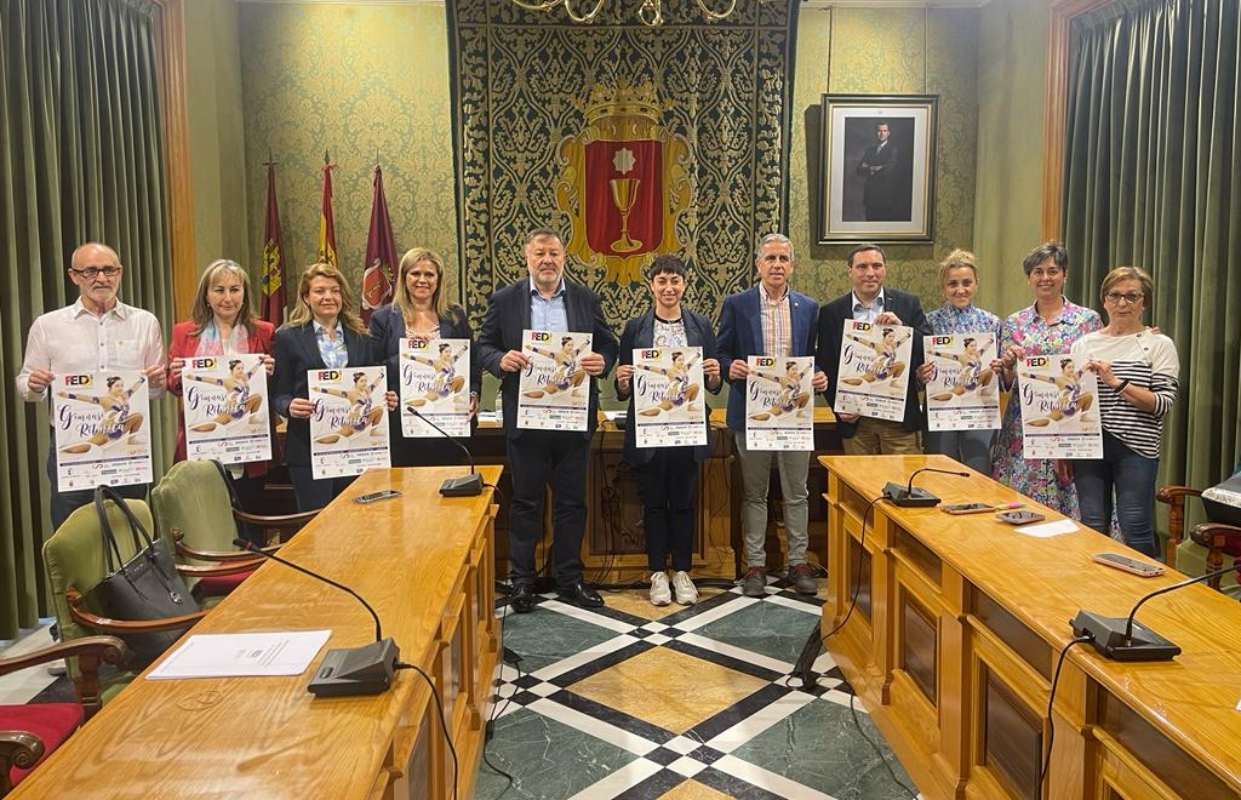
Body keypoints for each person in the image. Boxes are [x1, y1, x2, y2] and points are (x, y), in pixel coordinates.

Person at [476, 228, 618, 613]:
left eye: (554, 253)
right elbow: (483, 346)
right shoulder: (505, 300)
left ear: (564, 258)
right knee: (526, 502)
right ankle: (522, 582)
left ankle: (569, 578)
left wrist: (601, 361)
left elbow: (608, 344)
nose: (547, 260)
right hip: (527, 420)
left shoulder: (585, 299)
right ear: (528, 258)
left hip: (573, 419)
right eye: (540, 253)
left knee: (572, 502)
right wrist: (498, 360)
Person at [16, 242, 165, 530]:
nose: (101, 278)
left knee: (131, 535)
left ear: (120, 273)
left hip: (128, 450)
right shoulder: (47, 326)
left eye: (109, 270)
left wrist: (157, 382)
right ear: (74, 276)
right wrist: (34, 384)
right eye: (91, 271)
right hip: (72, 449)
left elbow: (155, 392)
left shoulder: (146, 323)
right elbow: (26, 386)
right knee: (74, 537)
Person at [717, 233, 828, 597]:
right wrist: (728, 366)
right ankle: (755, 565)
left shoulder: (809, 308)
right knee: (754, 493)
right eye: (770, 259)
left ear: (792, 265)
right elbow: (720, 353)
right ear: (758, 265)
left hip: (794, 416)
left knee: (798, 492)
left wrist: (820, 375)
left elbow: (816, 356)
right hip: (752, 414)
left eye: (783, 259)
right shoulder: (737, 304)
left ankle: (798, 562)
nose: (777, 265)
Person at [615, 255, 722, 607]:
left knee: (683, 502)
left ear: (685, 284)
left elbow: (715, 384)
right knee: (654, 503)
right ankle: (657, 573)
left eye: (675, 280)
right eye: (661, 280)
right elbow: (622, 387)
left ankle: (684, 572)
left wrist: (713, 372)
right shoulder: (635, 327)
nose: (669, 287)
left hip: (687, 429)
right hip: (650, 429)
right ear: (651, 286)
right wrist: (623, 381)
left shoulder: (701, 325)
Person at [1071, 267, 1178, 558]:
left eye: (1132, 296)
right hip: (1088, 447)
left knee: (1136, 526)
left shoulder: (1159, 345)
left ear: (1144, 302)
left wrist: (1116, 382)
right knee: (1092, 526)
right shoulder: (1083, 345)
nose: (1123, 303)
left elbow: (1162, 404)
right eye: (1115, 295)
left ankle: (1146, 597)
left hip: (1136, 449)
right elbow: (1072, 401)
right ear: (1104, 300)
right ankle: (1098, 592)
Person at [272, 263, 395, 511]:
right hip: (310, 450)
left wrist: (387, 398)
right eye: (319, 291)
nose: (328, 297)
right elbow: (278, 393)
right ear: (306, 297)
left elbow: (374, 384)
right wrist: (289, 405)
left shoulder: (362, 336)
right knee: (316, 528)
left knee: (359, 523)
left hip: (358, 447)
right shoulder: (288, 336)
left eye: (334, 290)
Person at [991, 241, 1102, 517]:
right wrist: (1004, 364)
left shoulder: (1087, 321)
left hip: (1071, 426)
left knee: (1071, 507)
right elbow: (1007, 382)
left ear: (1064, 274)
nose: (1045, 278)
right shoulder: (1014, 323)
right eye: (1038, 272)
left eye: (1052, 271)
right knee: (1020, 505)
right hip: (1023, 428)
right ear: (1029, 278)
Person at [168, 259, 275, 527]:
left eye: (235, 289)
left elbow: (274, 390)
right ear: (206, 294)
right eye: (219, 290)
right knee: (205, 526)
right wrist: (177, 373)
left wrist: (273, 372)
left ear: (244, 293)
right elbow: (172, 385)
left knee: (249, 525)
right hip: (202, 444)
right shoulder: (185, 333)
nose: (227, 298)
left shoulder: (264, 332)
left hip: (249, 447)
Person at [369, 248, 479, 467]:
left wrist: (473, 393)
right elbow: (373, 367)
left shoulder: (455, 316)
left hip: (448, 423)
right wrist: (409, 358)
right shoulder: (383, 318)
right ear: (404, 278)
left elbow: (472, 363)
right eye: (415, 273)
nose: (422, 280)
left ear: (438, 280)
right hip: (401, 423)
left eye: (429, 274)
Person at [818, 243, 930, 455]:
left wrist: (902, 330)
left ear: (885, 269)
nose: (870, 273)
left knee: (903, 485)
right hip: (856, 422)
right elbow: (826, 364)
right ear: (850, 270)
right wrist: (839, 407)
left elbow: (927, 348)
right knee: (858, 485)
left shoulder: (908, 304)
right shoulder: (831, 312)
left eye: (877, 266)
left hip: (899, 420)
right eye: (862, 267)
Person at [916, 249, 1003, 473]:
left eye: (967, 282)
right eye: (953, 284)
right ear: (943, 287)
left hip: (980, 409)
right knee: (940, 472)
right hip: (941, 408)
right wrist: (921, 373)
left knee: (979, 470)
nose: (960, 289)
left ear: (976, 284)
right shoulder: (929, 321)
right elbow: (917, 370)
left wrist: (999, 369)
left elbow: (1003, 377)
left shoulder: (992, 323)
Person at [857, 122, 899, 220]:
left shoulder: (892, 150)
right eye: (879, 131)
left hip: (884, 197)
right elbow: (859, 170)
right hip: (870, 196)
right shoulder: (869, 150)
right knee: (869, 226)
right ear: (876, 133)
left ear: (888, 133)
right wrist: (874, 168)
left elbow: (888, 170)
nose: (882, 133)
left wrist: (868, 167)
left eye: (884, 131)